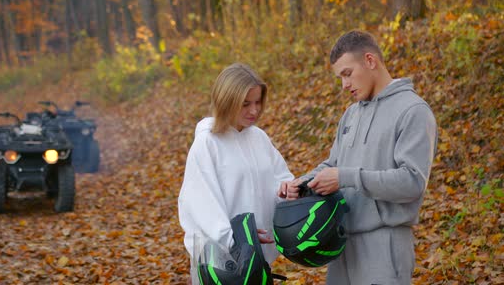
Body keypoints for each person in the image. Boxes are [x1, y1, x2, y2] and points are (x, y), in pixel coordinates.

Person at [279, 30, 437, 284]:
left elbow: (412, 183)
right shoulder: (351, 114)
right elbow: (333, 165)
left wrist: (346, 177)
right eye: (340, 77)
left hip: (385, 244)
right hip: (341, 245)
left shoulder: (413, 111)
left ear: (370, 61)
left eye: (347, 74)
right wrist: (302, 183)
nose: (344, 85)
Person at [178, 63, 294, 284]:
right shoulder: (207, 143)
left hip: (257, 261)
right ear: (226, 101)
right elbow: (202, 206)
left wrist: (287, 191)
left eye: (258, 102)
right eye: (245, 104)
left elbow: (281, 180)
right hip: (221, 267)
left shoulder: (259, 138)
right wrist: (237, 241)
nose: (254, 110)